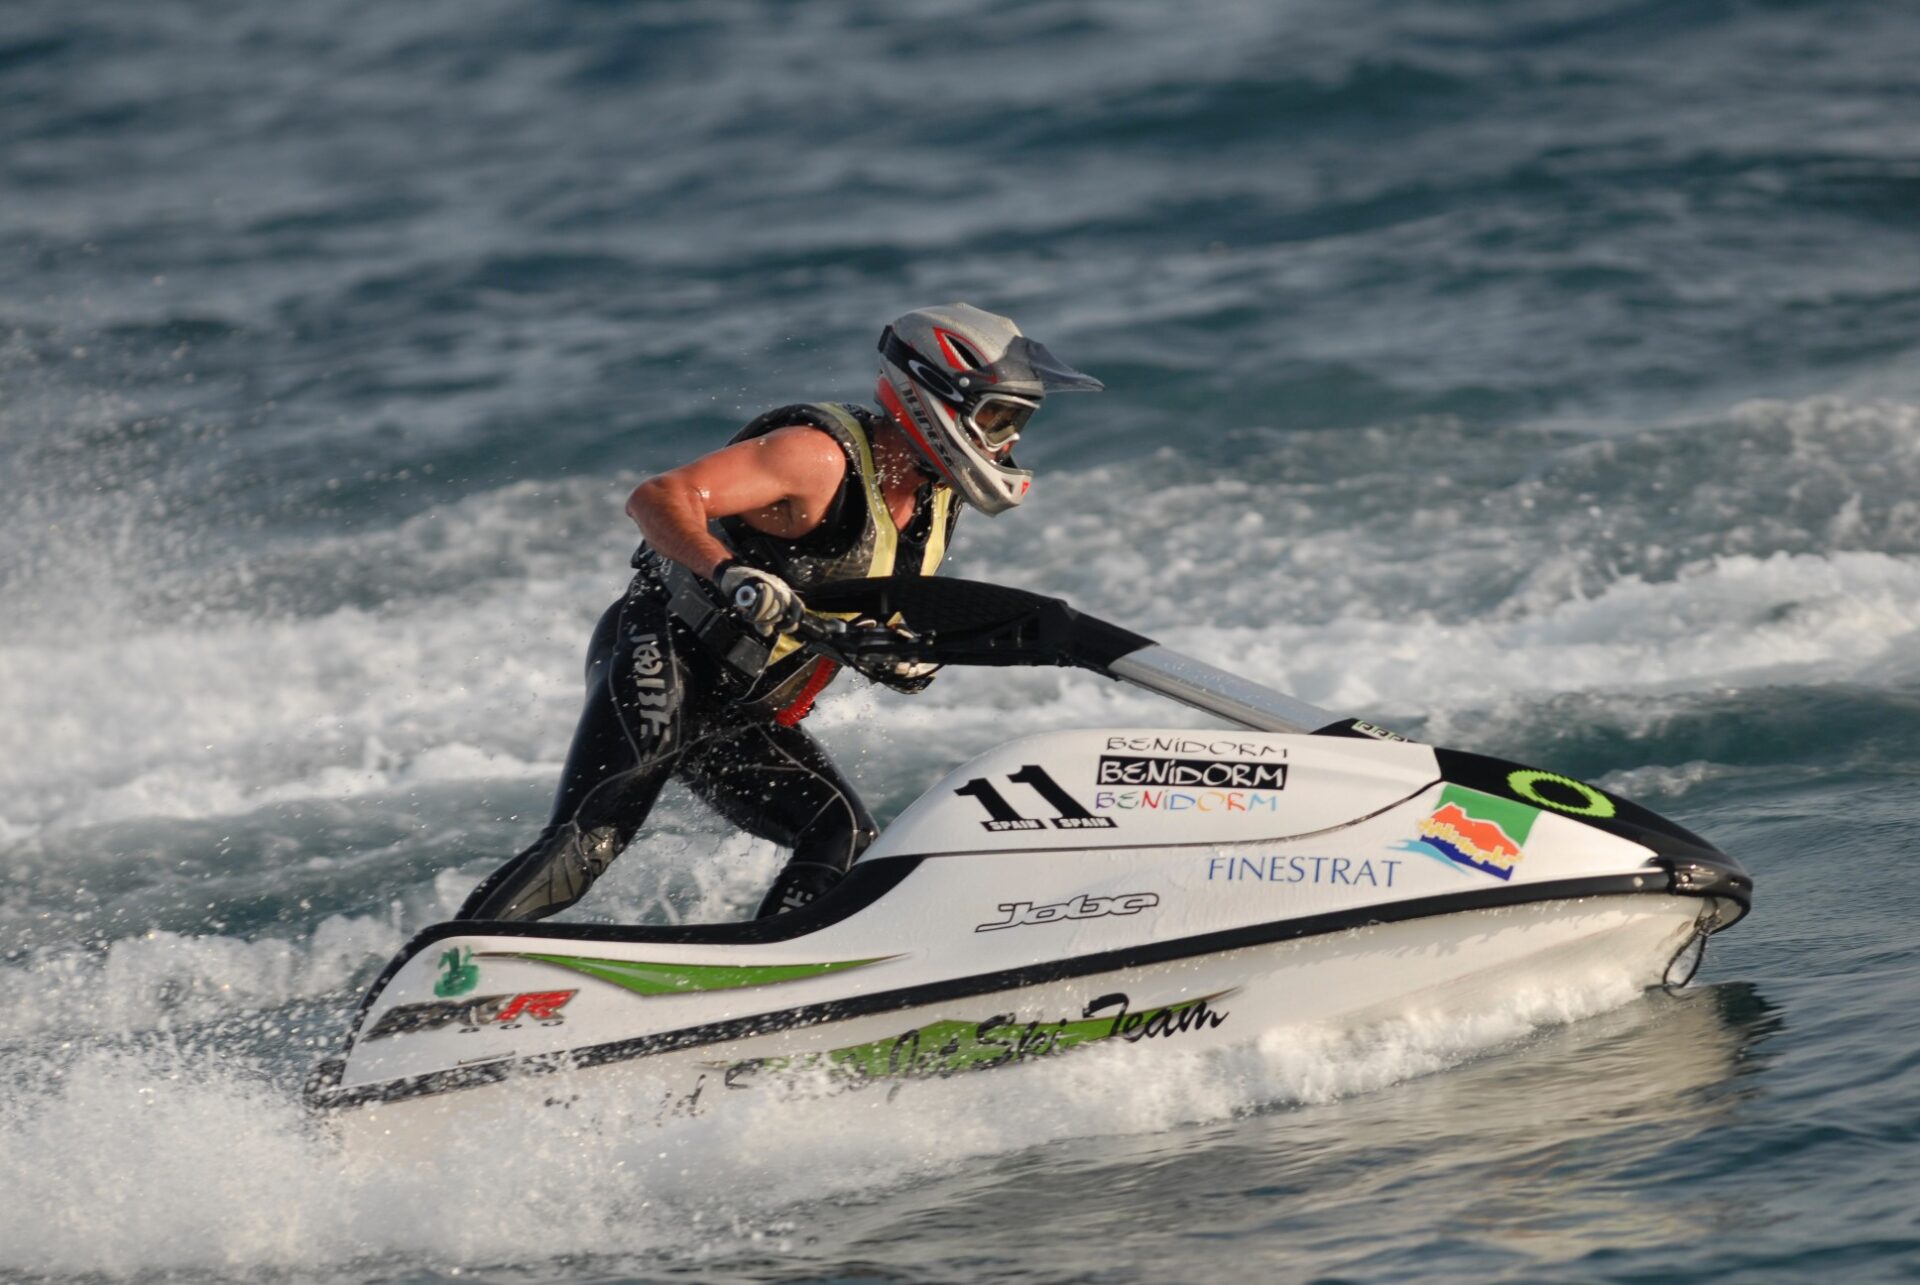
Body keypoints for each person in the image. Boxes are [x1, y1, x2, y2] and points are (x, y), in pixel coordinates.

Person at [455, 303, 1103, 922]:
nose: (1008, 441)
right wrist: (728, 572)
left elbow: (856, 597)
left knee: (841, 836)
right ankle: (437, 976)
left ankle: (767, 980)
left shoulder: (935, 497)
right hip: (665, 651)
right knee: (585, 845)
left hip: (738, 705)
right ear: (935, 397)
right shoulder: (815, 458)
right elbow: (657, 497)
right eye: (997, 418)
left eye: (1018, 422)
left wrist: (897, 651)